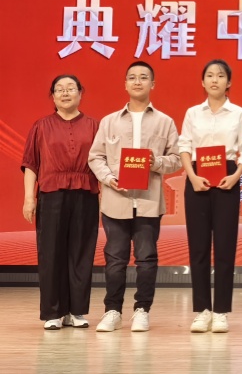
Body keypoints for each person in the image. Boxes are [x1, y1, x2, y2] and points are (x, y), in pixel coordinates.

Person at [88, 61, 181, 332]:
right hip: (115, 200)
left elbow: (177, 159)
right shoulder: (109, 121)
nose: (137, 81)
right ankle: (112, 311)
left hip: (149, 201)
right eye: (132, 77)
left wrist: (156, 162)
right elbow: (95, 157)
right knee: (115, 259)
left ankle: (142, 310)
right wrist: (109, 179)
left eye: (143, 77)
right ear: (125, 84)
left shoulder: (165, 122)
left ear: (153, 84)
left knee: (146, 259)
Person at [178, 59, 242, 333]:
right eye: (209, 75)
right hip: (197, 177)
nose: (214, 80)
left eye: (220, 76)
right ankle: (202, 310)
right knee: (198, 248)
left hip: (227, 179)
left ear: (228, 82)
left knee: (224, 247)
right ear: (202, 82)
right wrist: (192, 176)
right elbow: (184, 146)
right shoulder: (192, 113)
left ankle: (221, 311)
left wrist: (235, 176)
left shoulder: (239, 114)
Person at [22, 75, 100, 330]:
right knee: (51, 253)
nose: (65, 93)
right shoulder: (41, 126)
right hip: (51, 194)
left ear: (80, 93)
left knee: (81, 252)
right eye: (59, 89)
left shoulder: (94, 126)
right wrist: (29, 198)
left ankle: (76, 311)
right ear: (53, 96)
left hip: (85, 194)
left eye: (70, 88)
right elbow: (31, 164)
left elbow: (103, 161)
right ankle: (53, 312)